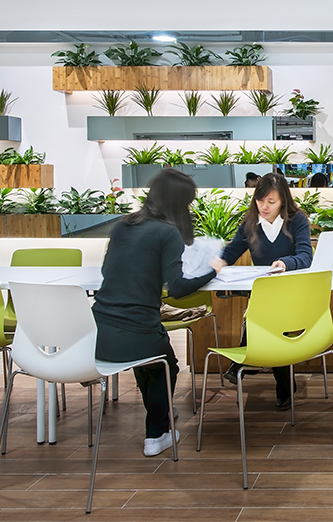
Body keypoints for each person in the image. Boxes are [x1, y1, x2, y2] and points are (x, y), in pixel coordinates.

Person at [93, 168, 225, 457]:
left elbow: (107, 271)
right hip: (139, 327)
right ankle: (156, 433)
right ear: (179, 203)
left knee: (148, 363)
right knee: (167, 364)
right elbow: (178, 288)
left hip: (99, 330)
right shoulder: (167, 233)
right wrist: (212, 270)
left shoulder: (122, 225)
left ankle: (159, 413)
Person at [220, 172, 313, 410]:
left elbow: (305, 256)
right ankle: (284, 386)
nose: (265, 206)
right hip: (264, 296)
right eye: (261, 201)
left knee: (266, 316)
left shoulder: (297, 221)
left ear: (283, 201)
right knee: (270, 319)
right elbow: (230, 253)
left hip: (292, 291)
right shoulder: (250, 223)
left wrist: (285, 263)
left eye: (271, 202)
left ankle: (240, 363)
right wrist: (214, 263)